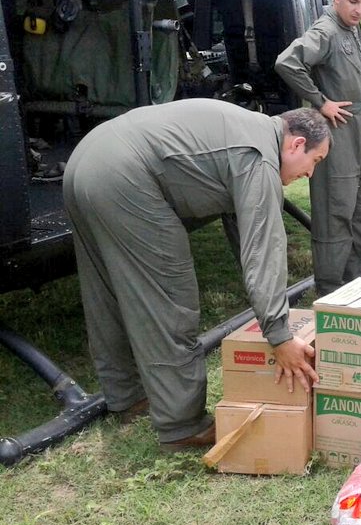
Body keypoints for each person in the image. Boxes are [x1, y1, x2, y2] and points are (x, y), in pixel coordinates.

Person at [63, 99, 329, 450]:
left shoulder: (247, 130)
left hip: (87, 159)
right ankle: (182, 425)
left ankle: (127, 397)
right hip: (125, 174)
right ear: (296, 143)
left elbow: (245, 232)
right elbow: (263, 250)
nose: (310, 174)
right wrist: (279, 337)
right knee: (168, 296)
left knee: (109, 290)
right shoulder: (259, 156)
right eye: (315, 161)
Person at [276, 0, 361, 297]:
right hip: (337, 139)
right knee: (336, 214)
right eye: (352, 2)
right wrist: (321, 102)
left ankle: (359, 285)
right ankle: (332, 293)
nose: (359, 10)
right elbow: (288, 62)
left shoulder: (352, 29)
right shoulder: (327, 29)